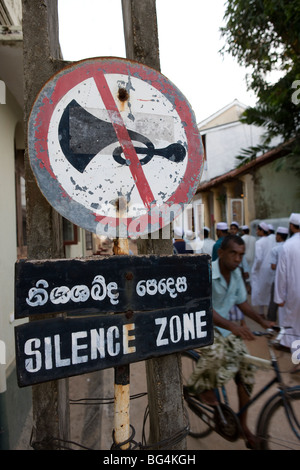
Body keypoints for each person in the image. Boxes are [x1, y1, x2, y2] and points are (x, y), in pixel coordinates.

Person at [187, 234, 273, 449]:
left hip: (224, 331)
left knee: (246, 369)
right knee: (219, 354)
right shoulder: (207, 272)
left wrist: (263, 322)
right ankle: (198, 387)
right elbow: (206, 308)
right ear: (221, 253)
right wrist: (233, 326)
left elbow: (243, 304)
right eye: (233, 253)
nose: (237, 259)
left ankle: (242, 424)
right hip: (203, 328)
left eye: (241, 255)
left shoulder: (235, 276)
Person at [274, 213, 300, 369]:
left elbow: (281, 274)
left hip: (293, 294)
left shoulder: (287, 246)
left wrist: (279, 297)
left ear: (291, 226)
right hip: (294, 293)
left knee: (294, 327)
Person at [251, 222, 274, 318]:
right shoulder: (271, 240)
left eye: (257, 230)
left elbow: (259, 258)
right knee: (268, 291)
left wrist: (255, 268)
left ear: (261, 231)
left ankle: (261, 313)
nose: (256, 232)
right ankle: (269, 312)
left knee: (259, 290)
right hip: (270, 268)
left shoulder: (259, 242)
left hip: (261, 269)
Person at [267, 226, 288, 322]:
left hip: (277, 279)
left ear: (279, 236)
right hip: (289, 279)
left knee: (274, 301)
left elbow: (273, 266)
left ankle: (271, 322)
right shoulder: (289, 247)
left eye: (276, 235)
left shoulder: (275, 249)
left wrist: (281, 267)